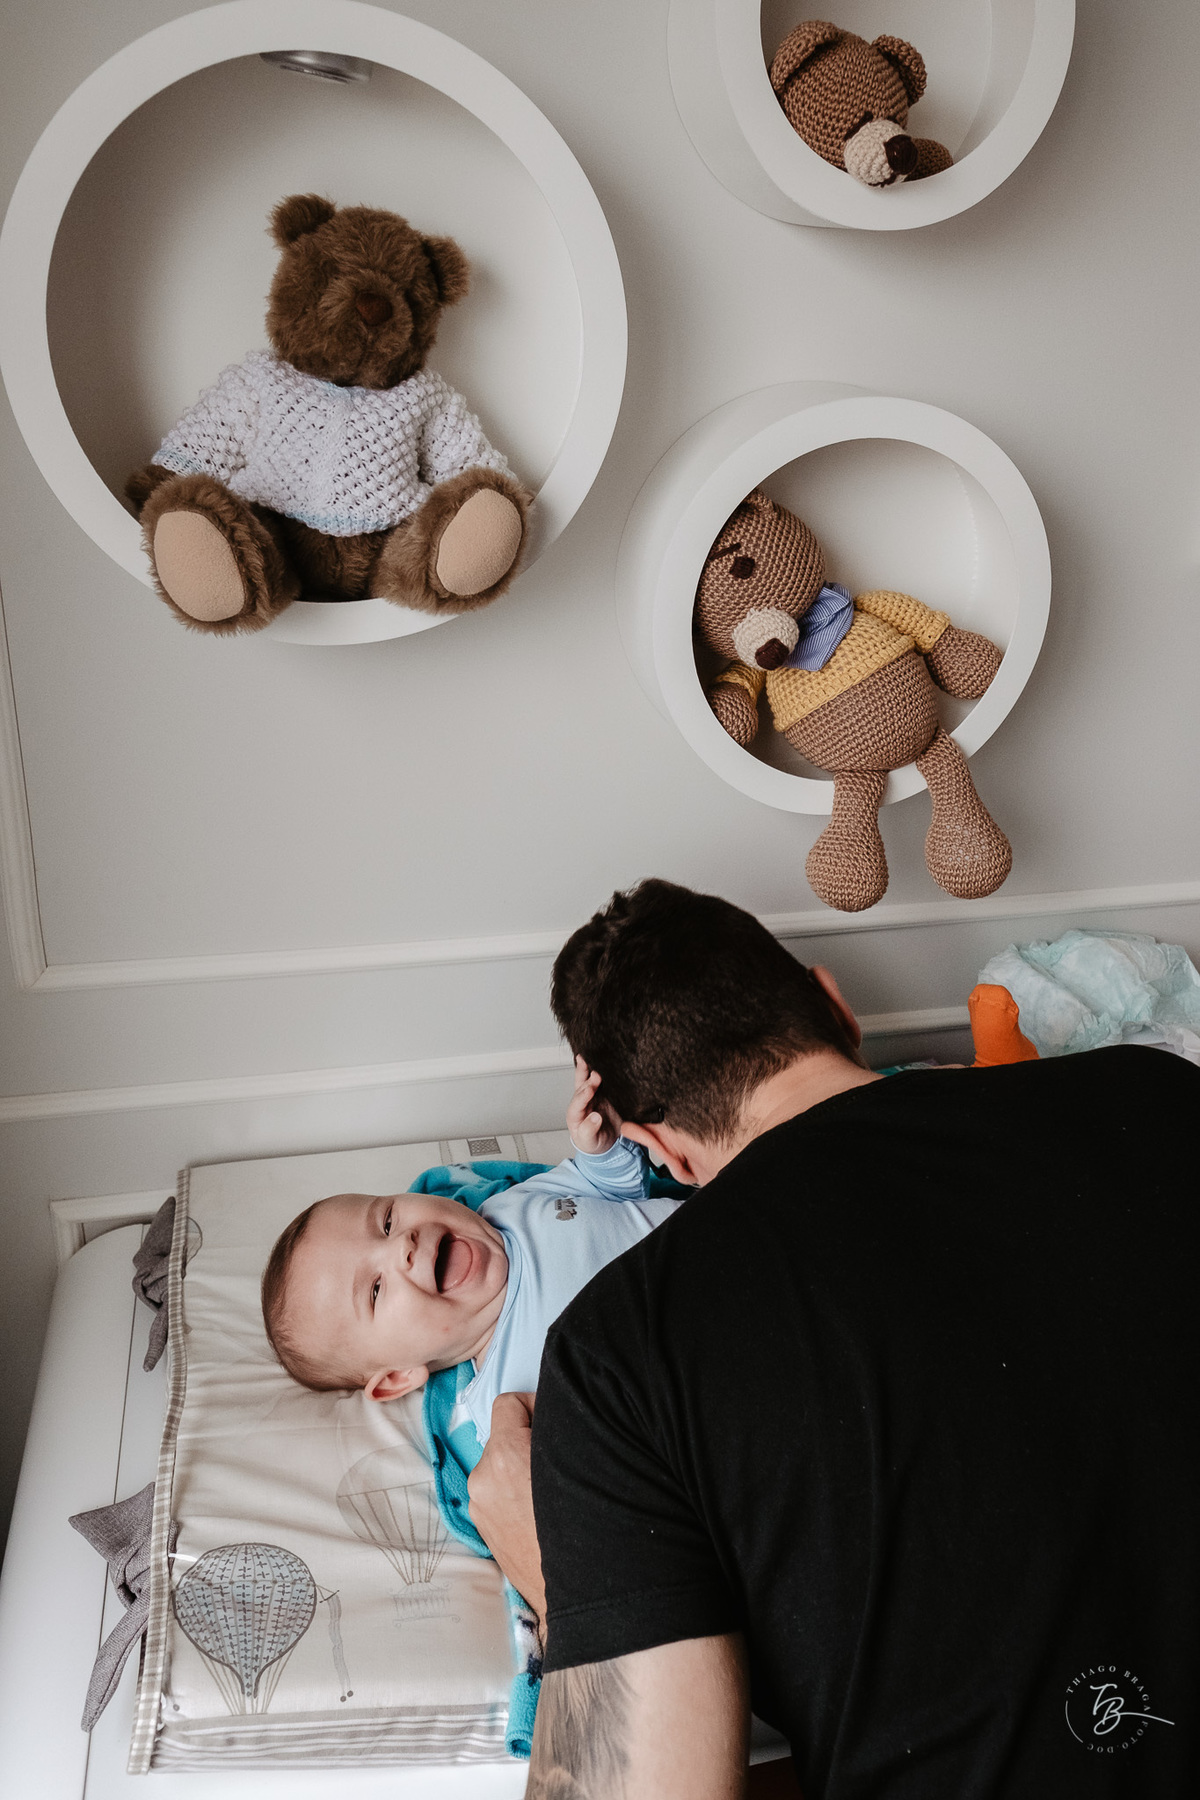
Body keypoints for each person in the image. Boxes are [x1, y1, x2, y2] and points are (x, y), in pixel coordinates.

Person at [468, 878, 1198, 1799]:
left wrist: (567, 1589)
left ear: (662, 1149)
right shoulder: (1159, 1092)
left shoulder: (616, 1353)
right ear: (835, 1005)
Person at [260, 1058, 681, 1440]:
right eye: (374, 1291)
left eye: (387, 1221)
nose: (401, 1248)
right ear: (398, 1377)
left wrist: (601, 1148)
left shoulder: (510, 1206)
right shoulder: (504, 1404)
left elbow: (611, 1189)